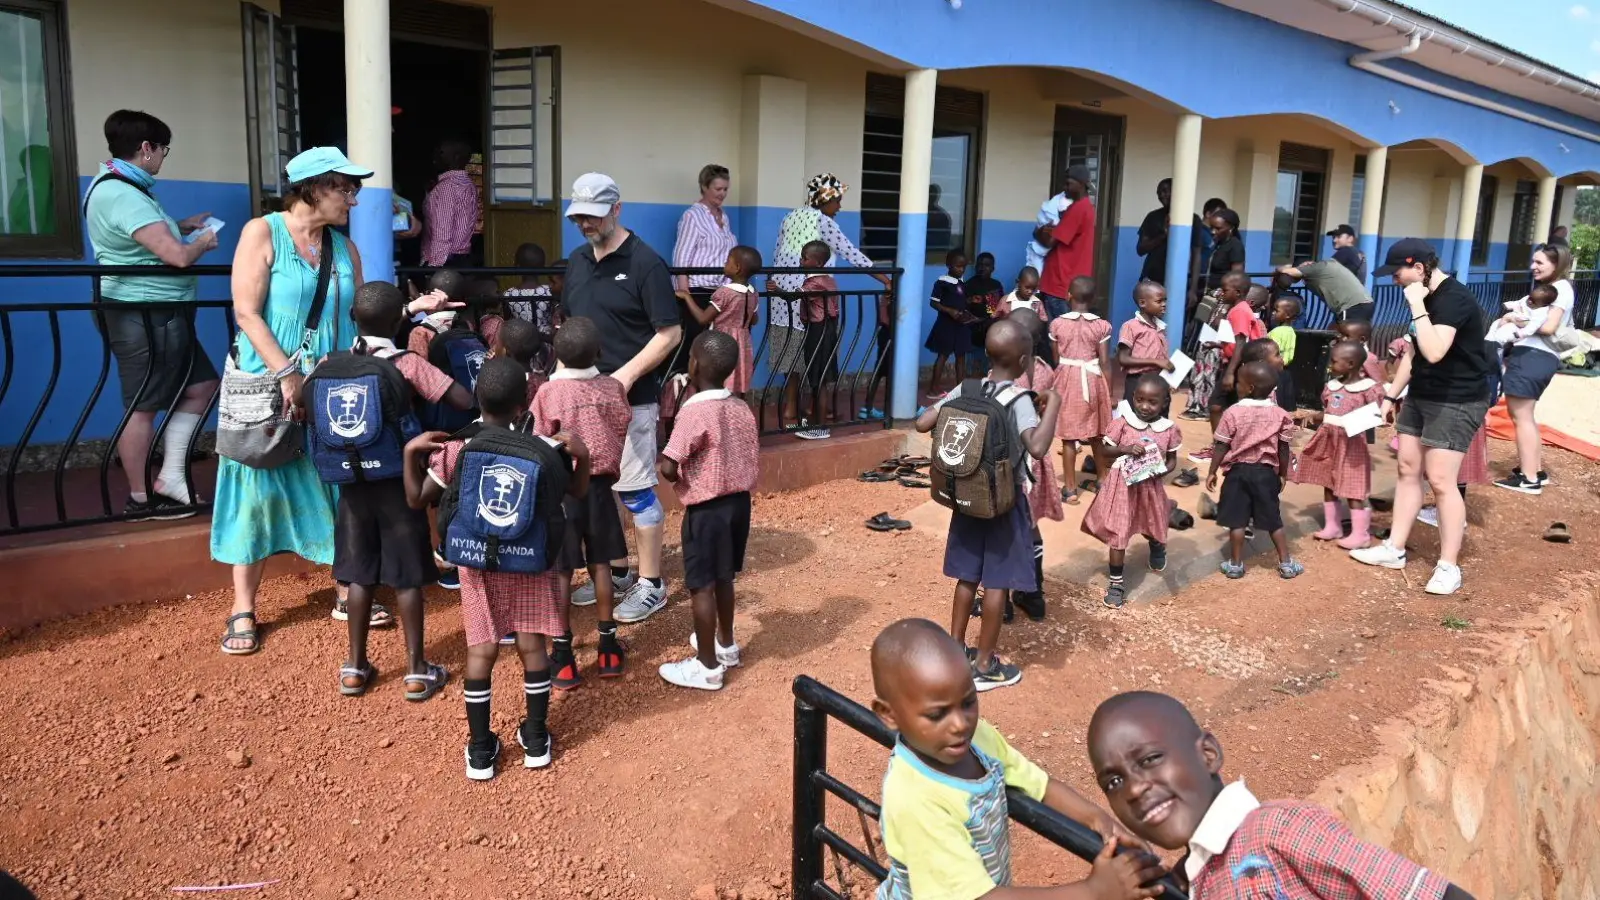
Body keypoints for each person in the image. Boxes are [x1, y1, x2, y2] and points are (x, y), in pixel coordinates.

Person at [214, 147, 396, 656]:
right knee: (257, 488)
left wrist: (409, 312)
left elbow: (361, 313)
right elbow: (247, 313)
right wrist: (288, 374)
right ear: (313, 187)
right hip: (270, 388)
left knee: (338, 487)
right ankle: (243, 606)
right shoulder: (262, 232)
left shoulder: (344, 247)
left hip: (331, 394)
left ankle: (346, 587)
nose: (353, 199)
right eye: (346, 188)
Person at [869, 618, 1163, 900]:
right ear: (888, 714)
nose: (960, 724)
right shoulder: (915, 799)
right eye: (937, 714)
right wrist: (1094, 892)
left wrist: (1098, 819)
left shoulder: (977, 739)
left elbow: (1040, 786)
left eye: (969, 702)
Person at [1087, 691, 1477, 900]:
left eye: (1151, 759)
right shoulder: (1192, 880)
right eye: (1114, 783)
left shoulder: (1276, 831)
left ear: (1208, 754)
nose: (1135, 788)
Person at [405, 358, 590, 780]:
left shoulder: (456, 449)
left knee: (482, 650)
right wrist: (584, 458)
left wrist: (409, 453)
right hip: (529, 562)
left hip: (478, 562)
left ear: (477, 398)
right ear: (524, 404)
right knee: (532, 647)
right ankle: (538, 738)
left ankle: (481, 749)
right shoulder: (545, 451)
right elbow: (576, 493)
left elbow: (417, 499)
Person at [316, 281, 472, 699]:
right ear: (400, 319)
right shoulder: (405, 363)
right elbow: (460, 398)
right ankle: (417, 669)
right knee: (405, 575)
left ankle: (354, 667)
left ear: (353, 319)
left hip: (349, 482)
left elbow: (302, 404)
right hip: (398, 480)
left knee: (357, 571)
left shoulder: (330, 361)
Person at [85, 110, 221, 521]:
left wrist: (179, 225)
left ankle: (171, 479)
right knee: (142, 405)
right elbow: (177, 256)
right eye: (164, 149)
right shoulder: (123, 194)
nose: (164, 157)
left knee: (202, 386)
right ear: (146, 148)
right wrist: (201, 243)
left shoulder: (123, 184)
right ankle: (142, 498)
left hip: (162, 311)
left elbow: (141, 239)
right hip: (144, 313)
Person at [561, 172, 683, 624]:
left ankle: (652, 584)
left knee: (634, 490)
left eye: (593, 216)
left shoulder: (646, 263)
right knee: (599, 490)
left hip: (631, 399)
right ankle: (615, 571)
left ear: (616, 209)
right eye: (578, 217)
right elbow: (571, 326)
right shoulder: (576, 261)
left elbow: (670, 332)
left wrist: (625, 377)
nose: (585, 225)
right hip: (582, 400)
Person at [915, 319, 1061, 692]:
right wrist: (1053, 405)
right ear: (1026, 360)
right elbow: (1038, 448)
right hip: (1003, 503)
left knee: (968, 577)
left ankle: (955, 649)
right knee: (996, 583)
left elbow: (922, 423)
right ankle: (984, 664)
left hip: (965, 497)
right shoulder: (1019, 399)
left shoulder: (966, 387)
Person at [1351, 240, 1491, 596]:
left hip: (1456, 400)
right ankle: (1395, 548)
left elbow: (1435, 349)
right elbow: (1414, 352)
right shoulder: (1424, 297)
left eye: (1397, 273)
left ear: (1419, 267)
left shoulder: (1452, 299)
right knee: (1407, 469)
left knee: (1442, 481)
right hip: (1423, 395)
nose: (1395, 280)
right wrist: (1390, 394)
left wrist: (1416, 305)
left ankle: (1448, 567)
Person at [529, 317, 633, 687]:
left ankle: (563, 656)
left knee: (561, 571)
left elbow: (538, 440)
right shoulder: (612, 387)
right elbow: (623, 422)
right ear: (599, 352)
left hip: (561, 493)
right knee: (601, 564)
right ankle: (607, 647)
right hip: (601, 488)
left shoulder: (546, 393)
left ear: (556, 354)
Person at [657, 331, 761, 691]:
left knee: (701, 586)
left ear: (695, 364)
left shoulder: (694, 409)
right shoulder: (740, 406)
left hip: (707, 511)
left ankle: (707, 667)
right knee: (725, 578)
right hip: (738, 506)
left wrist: (674, 476)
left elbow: (670, 465)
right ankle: (726, 645)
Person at [770, 173, 891, 423]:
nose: (839, 206)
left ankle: (790, 409)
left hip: (783, 296)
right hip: (811, 298)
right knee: (818, 357)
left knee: (790, 352)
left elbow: (777, 252)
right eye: (837, 201)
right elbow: (852, 254)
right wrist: (886, 280)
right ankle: (819, 411)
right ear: (825, 200)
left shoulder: (789, 216)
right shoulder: (824, 222)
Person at [1082, 376, 1182, 609]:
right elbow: (1105, 451)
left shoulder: (1169, 430)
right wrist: (1124, 449)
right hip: (1121, 487)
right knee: (1119, 534)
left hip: (1149, 487)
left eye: (1152, 402)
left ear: (1164, 402)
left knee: (1149, 524)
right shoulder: (1123, 423)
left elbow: (1172, 461)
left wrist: (1160, 472)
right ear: (1133, 398)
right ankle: (1116, 584)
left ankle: (1156, 545)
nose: (1145, 406)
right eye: (1140, 400)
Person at [1205, 360, 1303, 580]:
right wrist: (1283, 473)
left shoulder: (1233, 412)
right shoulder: (1281, 415)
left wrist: (1212, 471)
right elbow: (1283, 448)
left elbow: (1221, 444)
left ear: (1249, 388)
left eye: (1239, 382)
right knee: (1273, 520)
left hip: (1237, 473)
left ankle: (1236, 565)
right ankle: (1286, 563)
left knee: (1237, 521)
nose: (1236, 385)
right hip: (1265, 473)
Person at [1496, 244, 1575, 494]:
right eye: (1533, 262)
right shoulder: (1557, 288)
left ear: (1557, 264)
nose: (1533, 267)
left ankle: (1529, 479)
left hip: (1534, 355)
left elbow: (1550, 326)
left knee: (1521, 416)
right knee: (1525, 416)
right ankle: (1534, 471)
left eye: (1539, 262)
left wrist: (1515, 320)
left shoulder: (1560, 289)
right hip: (1534, 356)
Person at [1292, 341, 1384, 550]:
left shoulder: (1367, 389)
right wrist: (1316, 416)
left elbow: (1377, 411)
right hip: (1329, 441)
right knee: (1328, 481)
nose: (1330, 366)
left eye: (1334, 362)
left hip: (1351, 445)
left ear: (1350, 364)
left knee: (1353, 486)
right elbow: (1330, 410)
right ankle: (1332, 526)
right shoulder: (1332, 386)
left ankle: (1360, 534)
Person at [1012, 310, 1062, 622]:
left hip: (1011, 462)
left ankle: (999, 601)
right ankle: (1034, 593)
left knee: (1002, 528)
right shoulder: (1046, 371)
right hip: (1038, 460)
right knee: (1030, 525)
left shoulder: (1001, 378)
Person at [1050, 276, 1113, 506]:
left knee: (1069, 438)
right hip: (1093, 378)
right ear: (1093, 298)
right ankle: (1103, 481)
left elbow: (1057, 358)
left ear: (1068, 296)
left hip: (1067, 379)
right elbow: (1105, 361)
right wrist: (1110, 392)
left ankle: (1070, 489)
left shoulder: (1057, 324)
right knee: (1097, 434)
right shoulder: (1101, 325)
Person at [672, 164, 739, 368]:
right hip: (698, 291)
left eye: (726, 189)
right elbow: (682, 256)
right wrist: (684, 294)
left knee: (715, 348)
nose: (723, 194)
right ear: (704, 187)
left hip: (720, 292)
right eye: (718, 189)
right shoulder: (692, 216)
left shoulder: (723, 217)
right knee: (693, 345)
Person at [682, 245, 761, 398]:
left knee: (718, 381)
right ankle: (737, 412)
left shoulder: (724, 292)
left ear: (737, 268)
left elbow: (703, 318)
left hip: (721, 342)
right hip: (743, 342)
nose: (724, 264)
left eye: (727, 261)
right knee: (737, 379)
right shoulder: (753, 293)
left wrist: (686, 297)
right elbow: (755, 320)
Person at [1037, 165, 1097, 319]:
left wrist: (1039, 231)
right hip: (1069, 285)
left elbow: (1049, 242)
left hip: (1060, 284)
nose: (1065, 188)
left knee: (1058, 337)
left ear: (1081, 184)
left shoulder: (1078, 209)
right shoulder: (1085, 207)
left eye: (1069, 183)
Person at [799, 240, 845, 438]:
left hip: (819, 330)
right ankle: (816, 422)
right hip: (827, 330)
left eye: (804, 258)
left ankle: (820, 427)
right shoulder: (829, 279)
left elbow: (795, 296)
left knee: (819, 379)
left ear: (817, 263)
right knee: (820, 379)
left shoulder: (815, 282)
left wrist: (776, 290)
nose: (800, 261)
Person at [419, 139, 480, 268]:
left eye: (441, 152)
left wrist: (435, 266)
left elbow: (443, 231)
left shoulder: (447, 187)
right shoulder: (468, 184)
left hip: (445, 260)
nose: (435, 156)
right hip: (462, 257)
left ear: (456, 157)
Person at [1135, 178, 1204, 286]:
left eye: (1165, 191)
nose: (1161, 195)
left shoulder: (1193, 219)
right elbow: (1140, 250)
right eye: (1159, 193)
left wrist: (1193, 288)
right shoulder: (1152, 217)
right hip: (1152, 277)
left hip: (1180, 279)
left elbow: (1196, 254)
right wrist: (1164, 235)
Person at [1116, 281, 1174, 406]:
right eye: (1159, 301)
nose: (1164, 305)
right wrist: (1155, 361)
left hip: (1158, 381)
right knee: (1134, 418)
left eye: (1165, 301)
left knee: (1159, 418)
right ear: (1142, 303)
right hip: (1138, 381)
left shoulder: (1160, 328)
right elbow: (1123, 358)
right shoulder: (1130, 326)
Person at [1273, 254, 1375, 324]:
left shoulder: (1316, 267)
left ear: (1307, 264)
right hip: (1365, 303)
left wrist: (1280, 269)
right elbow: (1293, 280)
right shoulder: (1327, 265)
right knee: (1346, 334)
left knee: (1347, 339)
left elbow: (1288, 272)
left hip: (1351, 306)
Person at [925, 249, 972, 399]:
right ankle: (934, 389)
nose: (961, 269)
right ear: (948, 265)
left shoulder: (961, 283)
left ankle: (961, 389)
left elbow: (960, 301)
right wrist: (950, 311)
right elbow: (933, 303)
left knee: (961, 358)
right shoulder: (942, 282)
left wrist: (970, 301)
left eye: (963, 266)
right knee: (943, 356)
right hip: (946, 325)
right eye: (958, 266)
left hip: (960, 326)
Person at [503, 242, 560, 347]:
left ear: (517, 265)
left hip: (521, 343)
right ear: (543, 267)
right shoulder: (549, 291)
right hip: (547, 343)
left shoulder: (508, 294)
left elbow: (507, 322)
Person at [964, 251, 1005, 364]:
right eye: (980, 265)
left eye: (987, 265)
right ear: (976, 266)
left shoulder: (996, 285)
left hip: (991, 324)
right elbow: (963, 309)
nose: (982, 268)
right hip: (973, 326)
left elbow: (997, 308)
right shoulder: (969, 285)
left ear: (992, 268)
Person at [1024, 185, 1071, 276]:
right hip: (1040, 256)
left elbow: (1043, 238)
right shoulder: (1052, 213)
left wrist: (1039, 233)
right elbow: (1045, 240)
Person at [1266, 295, 1300, 413]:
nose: (1273, 313)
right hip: (1286, 370)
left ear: (1287, 315)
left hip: (1274, 370)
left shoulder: (1276, 332)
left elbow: (1272, 351)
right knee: (1286, 399)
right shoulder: (1291, 331)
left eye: (1277, 310)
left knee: (1276, 400)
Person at [1204, 209, 1246, 291]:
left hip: (1219, 294)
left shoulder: (1235, 246)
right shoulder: (1215, 243)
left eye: (1218, 228)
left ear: (1231, 228)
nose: (1213, 231)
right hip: (1206, 290)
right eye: (1211, 227)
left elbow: (1236, 278)